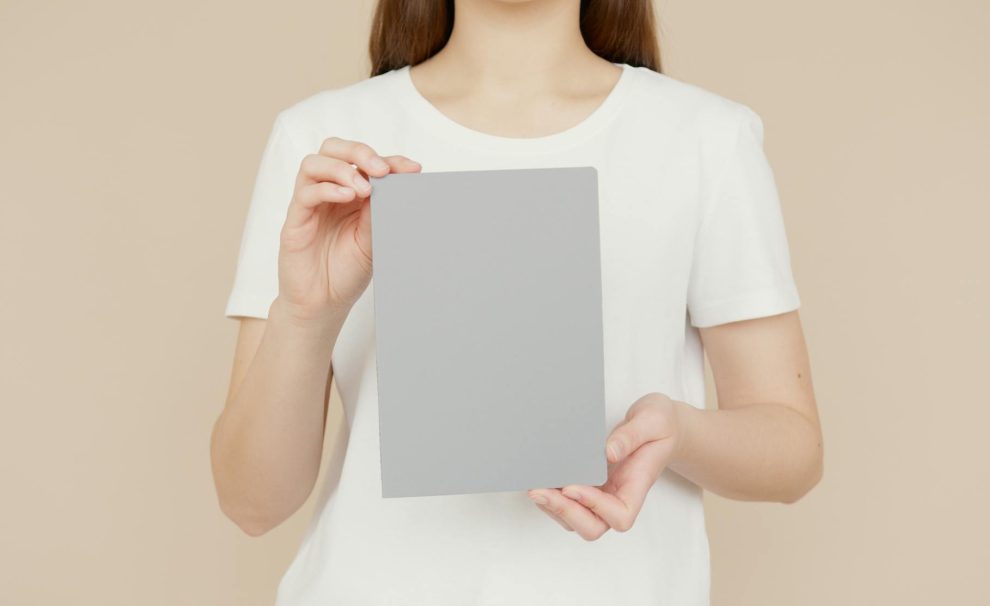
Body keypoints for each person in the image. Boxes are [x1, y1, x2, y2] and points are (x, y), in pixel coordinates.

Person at [211, 0, 824, 604]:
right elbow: (252, 503)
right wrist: (304, 314)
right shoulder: (324, 143)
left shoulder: (705, 138)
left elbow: (794, 452)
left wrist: (678, 433)